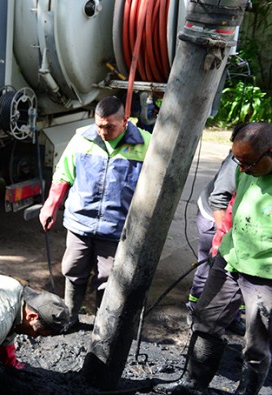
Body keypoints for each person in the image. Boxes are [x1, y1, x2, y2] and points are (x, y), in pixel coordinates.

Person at [160, 122, 272, 395]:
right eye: (238, 162)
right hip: (231, 259)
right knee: (205, 320)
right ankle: (193, 384)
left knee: (257, 345)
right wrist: (221, 239)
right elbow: (221, 199)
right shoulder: (245, 164)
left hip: (265, 274)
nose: (242, 169)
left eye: (248, 163)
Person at [39, 96, 151, 326]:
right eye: (99, 125)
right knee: (72, 269)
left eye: (109, 126)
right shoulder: (82, 138)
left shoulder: (145, 144)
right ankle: (70, 316)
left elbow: (156, 186)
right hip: (80, 222)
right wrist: (50, 206)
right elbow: (63, 175)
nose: (103, 131)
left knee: (108, 278)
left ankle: (102, 325)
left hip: (116, 228)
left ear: (125, 121)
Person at [186, 126, 244, 335]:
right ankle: (195, 311)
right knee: (209, 267)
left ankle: (231, 317)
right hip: (214, 216)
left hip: (239, 223)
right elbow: (218, 200)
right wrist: (222, 238)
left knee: (236, 276)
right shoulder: (238, 160)